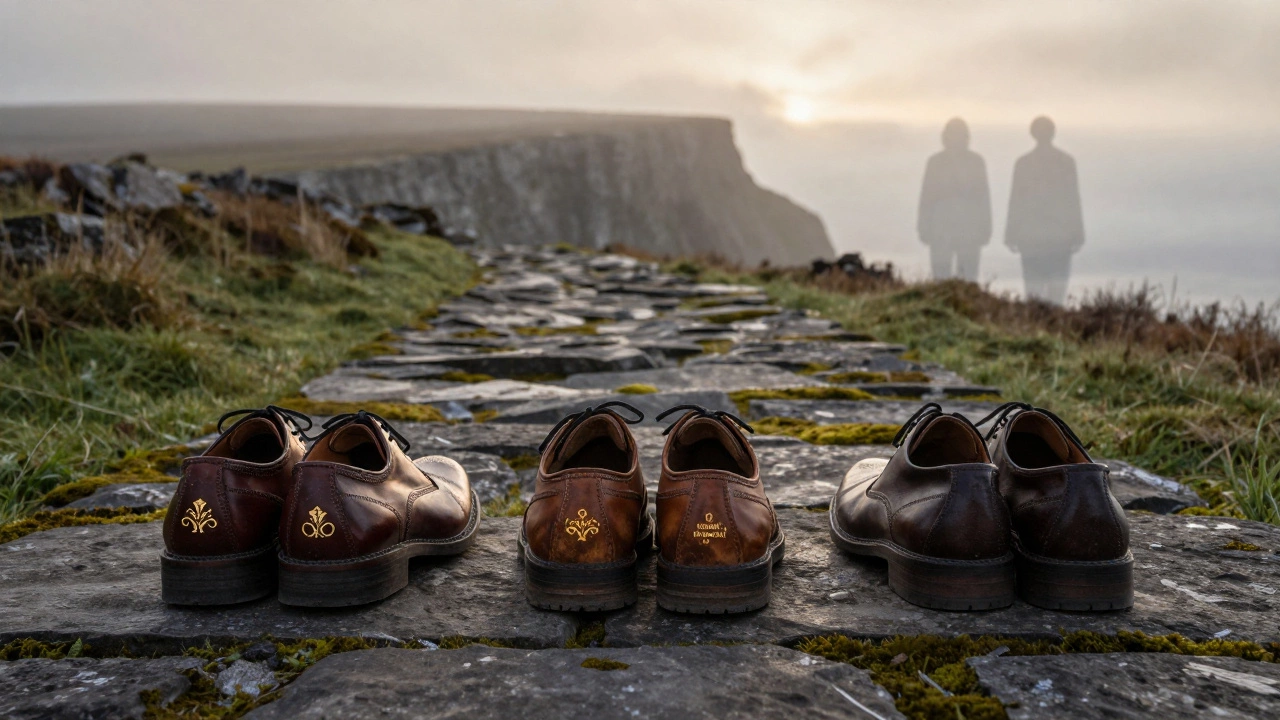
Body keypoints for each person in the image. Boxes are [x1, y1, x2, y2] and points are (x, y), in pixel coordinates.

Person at [1006, 116, 1084, 304]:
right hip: (1058, 237)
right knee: (1056, 292)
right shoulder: (1066, 162)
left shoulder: (1023, 163)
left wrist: (1011, 233)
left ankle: (1037, 327)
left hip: (1033, 237)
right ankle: (1052, 326)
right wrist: (1078, 233)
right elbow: (1073, 199)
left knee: (1034, 291)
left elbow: (1015, 201)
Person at [917, 118, 992, 281]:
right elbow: (927, 197)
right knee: (943, 277)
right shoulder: (936, 162)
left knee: (966, 277)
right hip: (944, 227)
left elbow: (983, 198)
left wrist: (985, 228)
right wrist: (923, 226)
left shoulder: (974, 162)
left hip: (964, 228)